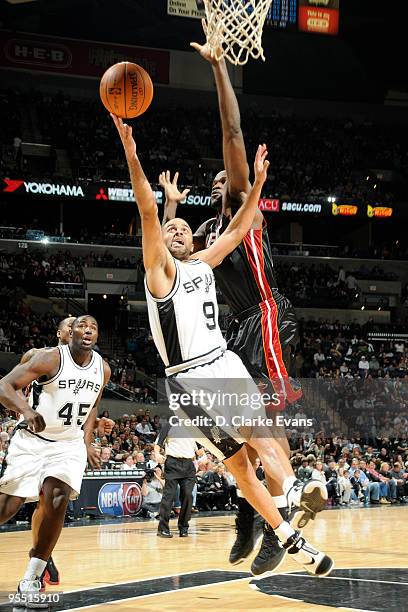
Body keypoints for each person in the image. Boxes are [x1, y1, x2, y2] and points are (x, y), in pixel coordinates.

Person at [112, 113, 333, 577]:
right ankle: (293, 514)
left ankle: (291, 514)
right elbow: (149, 215)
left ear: (194, 239)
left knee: (251, 452)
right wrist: (132, 155)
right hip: (190, 380)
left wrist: (258, 184)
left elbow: (235, 230)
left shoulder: (202, 264)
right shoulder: (160, 274)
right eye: (170, 232)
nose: (175, 232)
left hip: (221, 364)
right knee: (247, 451)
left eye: (182, 229)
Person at [160, 34, 307, 576]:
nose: (225, 180)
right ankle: (257, 517)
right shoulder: (203, 237)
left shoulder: (243, 206)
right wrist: (168, 205)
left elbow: (232, 131)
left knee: (265, 422)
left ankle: (286, 505)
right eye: (219, 180)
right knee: (235, 446)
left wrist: (220, 69)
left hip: (265, 317)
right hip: (223, 345)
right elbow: (168, 259)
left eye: (231, 178)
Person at [0, 315, 111, 604]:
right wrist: (25, 410)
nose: (86, 330)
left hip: (68, 444)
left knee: (58, 498)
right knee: (8, 507)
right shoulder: (47, 358)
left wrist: (87, 443)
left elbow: (93, 406)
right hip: (33, 440)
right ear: (67, 333)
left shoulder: (104, 369)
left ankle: (32, 578)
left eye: (93, 327)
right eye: (80, 326)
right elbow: (4, 386)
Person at [155, 420, 197, 538]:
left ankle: (184, 527)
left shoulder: (193, 426)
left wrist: (203, 457)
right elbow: (158, 443)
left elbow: (196, 448)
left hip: (188, 464)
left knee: (188, 495)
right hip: (173, 462)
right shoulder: (169, 425)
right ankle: (162, 529)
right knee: (169, 496)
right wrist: (157, 454)